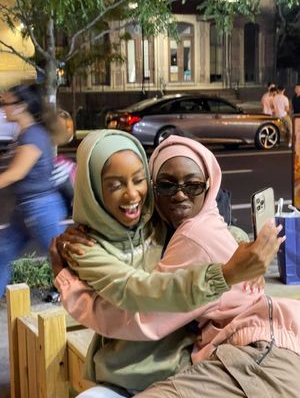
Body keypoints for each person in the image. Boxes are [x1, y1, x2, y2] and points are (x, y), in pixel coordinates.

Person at [50, 131, 285, 397]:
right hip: (123, 376)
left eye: (138, 180)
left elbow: (214, 230)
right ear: (91, 188)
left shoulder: (161, 226)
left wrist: (242, 252)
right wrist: (228, 273)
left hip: (186, 367)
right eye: (115, 185)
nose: (131, 194)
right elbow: (137, 292)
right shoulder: (87, 246)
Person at [0, 83, 68, 297]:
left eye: (6, 103)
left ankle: (73, 303)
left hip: (41, 209)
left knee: (60, 259)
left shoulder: (33, 136)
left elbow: (16, 173)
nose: (3, 108)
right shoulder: (25, 135)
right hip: (25, 210)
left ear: (21, 107)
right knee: (2, 252)